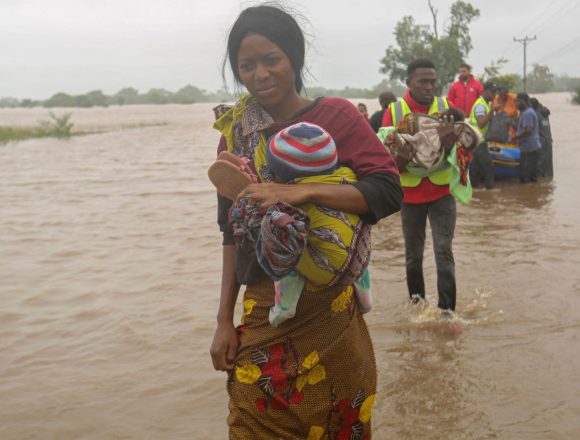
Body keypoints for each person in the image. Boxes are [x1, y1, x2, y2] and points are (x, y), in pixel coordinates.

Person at [209, 5, 402, 438]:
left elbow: (388, 190)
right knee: (249, 423)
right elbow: (229, 230)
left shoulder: (336, 116)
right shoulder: (237, 132)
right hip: (263, 311)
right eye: (247, 65)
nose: (260, 74)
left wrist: (303, 191)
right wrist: (223, 319)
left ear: (293, 58)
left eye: (271, 59)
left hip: (330, 312)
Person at [381, 58, 460, 313]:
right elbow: (383, 161)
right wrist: (400, 161)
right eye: (422, 81)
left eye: (432, 81)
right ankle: (417, 309)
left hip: (442, 192)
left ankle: (447, 312)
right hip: (410, 195)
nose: (429, 86)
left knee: (443, 251)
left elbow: (462, 156)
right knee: (413, 257)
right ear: (409, 83)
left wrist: (451, 145)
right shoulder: (394, 112)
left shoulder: (446, 107)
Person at [468, 82, 499, 189]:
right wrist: (492, 111)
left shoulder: (484, 104)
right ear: (485, 91)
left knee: (474, 168)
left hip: (475, 140)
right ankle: (490, 191)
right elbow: (481, 124)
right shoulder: (480, 106)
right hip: (478, 140)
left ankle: (474, 192)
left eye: (496, 92)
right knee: (489, 166)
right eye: (492, 92)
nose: (495, 94)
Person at [512, 92, 542, 183]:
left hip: (529, 149)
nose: (517, 104)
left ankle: (529, 195)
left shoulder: (527, 114)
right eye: (516, 102)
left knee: (525, 177)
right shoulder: (528, 112)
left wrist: (515, 137)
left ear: (525, 101)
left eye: (519, 102)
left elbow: (528, 130)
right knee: (532, 176)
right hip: (531, 147)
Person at [530, 97, 554, 177]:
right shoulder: (545, 114)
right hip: (548, 142)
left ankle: (540, 185)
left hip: (540, 142)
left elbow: (528, 129)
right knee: (548, 166)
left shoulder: (535, 114)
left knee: (539, 166)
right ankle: (548, 183)